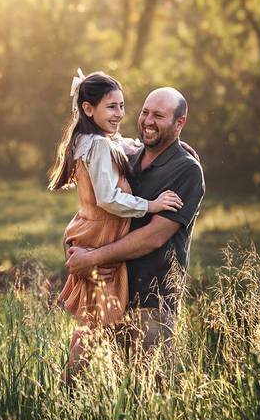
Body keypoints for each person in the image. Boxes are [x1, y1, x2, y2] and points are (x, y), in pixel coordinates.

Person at [48, 70, 183, 385]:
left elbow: (125, 143)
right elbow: (108, 198)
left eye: (122, 106)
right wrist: (150, 205)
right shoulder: (98, 145)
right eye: (111, 106)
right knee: (95, 322)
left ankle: (78, 386)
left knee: (95, 319)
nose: (120, 113)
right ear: (88, 109)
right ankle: (70, 387)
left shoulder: (91, 139)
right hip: (103, 232)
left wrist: (178, 146)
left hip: (91, 228)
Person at [66, 87, 204, 369]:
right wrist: (75, 251)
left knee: (152, 386)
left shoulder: (186, 170)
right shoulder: (124, 156)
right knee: (85, 380)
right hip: (109, 290)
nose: (148, 121)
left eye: (159, 116)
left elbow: (154, 237)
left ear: (180, 123)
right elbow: (92, 211)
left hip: (152, 300)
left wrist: (92, 258)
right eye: (145, 112)